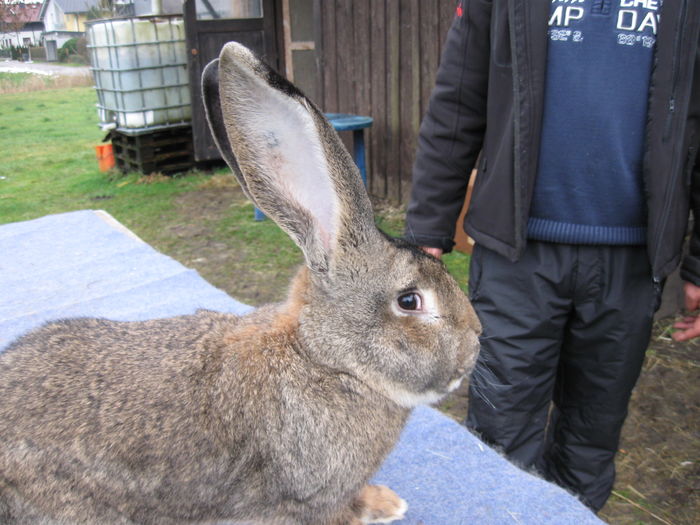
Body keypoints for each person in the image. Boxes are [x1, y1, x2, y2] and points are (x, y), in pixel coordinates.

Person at [405, 0, 699, 512]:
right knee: (500, 432)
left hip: (631, 264)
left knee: (592, 434)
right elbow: (457, 105)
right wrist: (428, 230)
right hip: (517, 259)